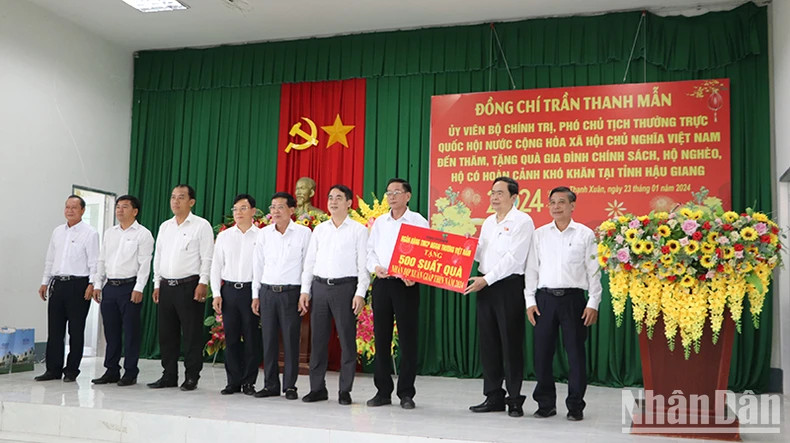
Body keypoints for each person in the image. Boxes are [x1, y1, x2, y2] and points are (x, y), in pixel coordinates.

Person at [525, 186, 601, 421]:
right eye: (552, 202)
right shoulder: (539, 234)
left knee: (576, 355)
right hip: (544, 300)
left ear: (572, 206)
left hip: (574, 301)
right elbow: (532, 269)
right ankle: (545, 404)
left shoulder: (585, 234)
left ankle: (575, 406)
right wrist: (529, 300)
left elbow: (594, 271)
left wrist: (593, 302)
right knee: (542, 355)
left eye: (561, 202)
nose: (556, 207)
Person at [465, 177, 534, 417]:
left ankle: (514, 399)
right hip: (485, 286)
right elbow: (482, 254)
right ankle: (493, 396)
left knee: (510, 343)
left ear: (514, 197)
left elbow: (514, 259)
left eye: (500, 193)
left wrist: (487, 279)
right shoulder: (488, 222)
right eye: (492, 193)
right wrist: (466, 247)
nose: (494, 197)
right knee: (489, 343)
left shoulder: (522, 221)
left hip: (508, 287)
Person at [298, 184, 369, 405]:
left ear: (349, 203)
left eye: (339, 197)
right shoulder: (320, 230)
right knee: (318, 340)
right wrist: (305, 290)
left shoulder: (359, 230)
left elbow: (363, 266)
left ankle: (344, 390)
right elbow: (309, 262)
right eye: (330, 197)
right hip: (319, 287)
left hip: (345, 288)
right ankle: (317, 388)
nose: (333, 201)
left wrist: (360, 293)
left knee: (347, 340)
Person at [365, 178, 429, 409]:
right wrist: (376, 267)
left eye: (396, 192)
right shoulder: (380, 223)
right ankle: (382, 391)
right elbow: (370, 252)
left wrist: (416, 274)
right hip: (383, 283)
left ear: (407, 196)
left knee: (408, 339)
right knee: (381, 338)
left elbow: (427, 253)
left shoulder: (418, 221)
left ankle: (406, 393)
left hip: (406, 285)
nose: (391, 197)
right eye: (388, 193)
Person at [148, 184, 214, 391]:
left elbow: (207, 257)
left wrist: (203, 282)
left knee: (192, 334)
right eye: (173, 197)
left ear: (191, 202)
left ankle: (192, 376)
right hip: (166, 286)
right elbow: (158, 256)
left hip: (190, 286)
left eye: (181, 197)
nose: (175, 201)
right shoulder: (165, 226)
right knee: (167, 334)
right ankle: (168, 375)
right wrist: (157, 283)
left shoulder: (201, 225)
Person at [251, 192, 311, 400]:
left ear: (291, 210)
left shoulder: (303, 233)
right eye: (272, 207)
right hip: (267, 292)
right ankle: (270, 385)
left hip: (291, 293)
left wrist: (305, 293)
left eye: (280, 207)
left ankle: (290, 386)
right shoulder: (264, 234)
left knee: (291, 340)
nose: (275, 211)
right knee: (268, 340)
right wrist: (255, 295)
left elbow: (307, 266)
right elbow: (258, 265)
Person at [91, 195, 154, 387]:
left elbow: (145, 264)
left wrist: (139, 287)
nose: (119, 210)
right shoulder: (110, 233)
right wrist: (97, 284)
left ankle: (130, 372)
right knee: (111, 332)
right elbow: (102, 260)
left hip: (130, 287)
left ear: (135, 211)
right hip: (110, 287)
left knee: (131, 332)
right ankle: (111, 370)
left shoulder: (143, 234)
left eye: (124, 207)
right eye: (118, 206)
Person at [36, 195, 99, 382]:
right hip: (58, 284)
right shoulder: (58, 232)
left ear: (82, 211)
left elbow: (95, 262)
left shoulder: (90, 233)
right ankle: (53, 370)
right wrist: (45, 282)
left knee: (76, 330)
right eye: (67, 207)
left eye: (74, 207)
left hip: (78, 285)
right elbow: (50, 259)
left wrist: (92, 284)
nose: (69, 211)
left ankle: (72, 370)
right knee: (55, 330)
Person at [210, 194, 261, 395]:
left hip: (251, 291)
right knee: (230, 339)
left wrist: (257, 295)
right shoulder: (224, 236)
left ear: (253, 211)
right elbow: (216, 266)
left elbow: (262, 267)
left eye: (243, 208)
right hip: (229, 291)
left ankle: (249, 382)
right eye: (235, 209)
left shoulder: (261, 236)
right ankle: (233, 381)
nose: (238, 213)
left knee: (251, 338)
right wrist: (216, 293)